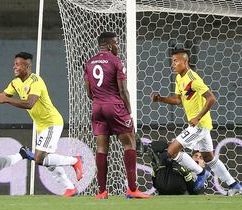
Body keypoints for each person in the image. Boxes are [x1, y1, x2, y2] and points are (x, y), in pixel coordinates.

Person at [0, 52, 83, 197]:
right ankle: (70, 188)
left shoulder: (35, 81)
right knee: (49, 162)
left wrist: (7, 100)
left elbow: (29, 103)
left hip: (51, 123)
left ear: (27, 66)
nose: (14, 67)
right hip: (41, 125)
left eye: (18, 64)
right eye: (14, 64)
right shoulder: (15, 83)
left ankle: (75, 160)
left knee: (39, 158)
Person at [151, 49, 241, 196]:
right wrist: (160, 99)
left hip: (199, 124)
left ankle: (200, 173)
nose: (172, 64)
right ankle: (234, 184)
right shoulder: (180, 78)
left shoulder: (193, 79)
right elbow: (178, 100)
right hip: (199, 125)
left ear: (186, 62)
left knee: (172, 151)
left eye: (176, 61)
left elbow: (211, 98)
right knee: (209, 158)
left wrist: (198, 117)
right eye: (172, 61)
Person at [83, 31, 150, 199]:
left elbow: (89, 91)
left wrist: (100, 99)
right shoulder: (116, 61)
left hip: (97, 107)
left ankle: (102, 192)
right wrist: (129, 111)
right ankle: (133, 190)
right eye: (117, 43)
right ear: (110, 44)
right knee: (130, 143)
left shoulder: (89, 62)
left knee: (101, 147)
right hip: (115, 106)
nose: (118, 47)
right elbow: (123, 90)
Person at [139, 139, 205, 195]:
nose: (198, 158)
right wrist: (155, 172)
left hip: (179, 191)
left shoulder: (202, 176)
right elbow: (155, 185)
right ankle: (145, 148)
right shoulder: (186, 163)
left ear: (204, 164)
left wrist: (186, 174)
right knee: (167, 148)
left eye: (201, 157)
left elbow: (196, 192)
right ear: (191, 157)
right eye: (196, 156)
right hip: (163, 183)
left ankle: (148, 150)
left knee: (174, 160)